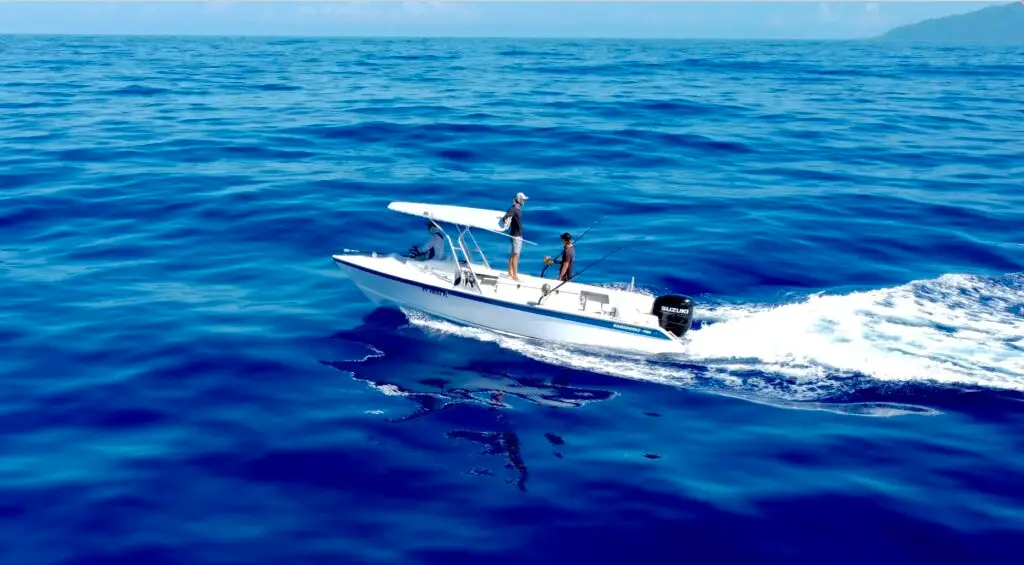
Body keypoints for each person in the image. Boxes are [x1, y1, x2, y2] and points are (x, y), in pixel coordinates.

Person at [501, 192, 527, 280]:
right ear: (519, 199)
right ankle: (514, 275)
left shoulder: (517, 209)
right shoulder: (514, 209)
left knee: (513, 254)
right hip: (516, 236)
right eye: (523, 199)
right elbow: (506, 217)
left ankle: (510, 273)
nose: (524, 201)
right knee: (516, 255)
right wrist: (506, 220)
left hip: (516, 235)